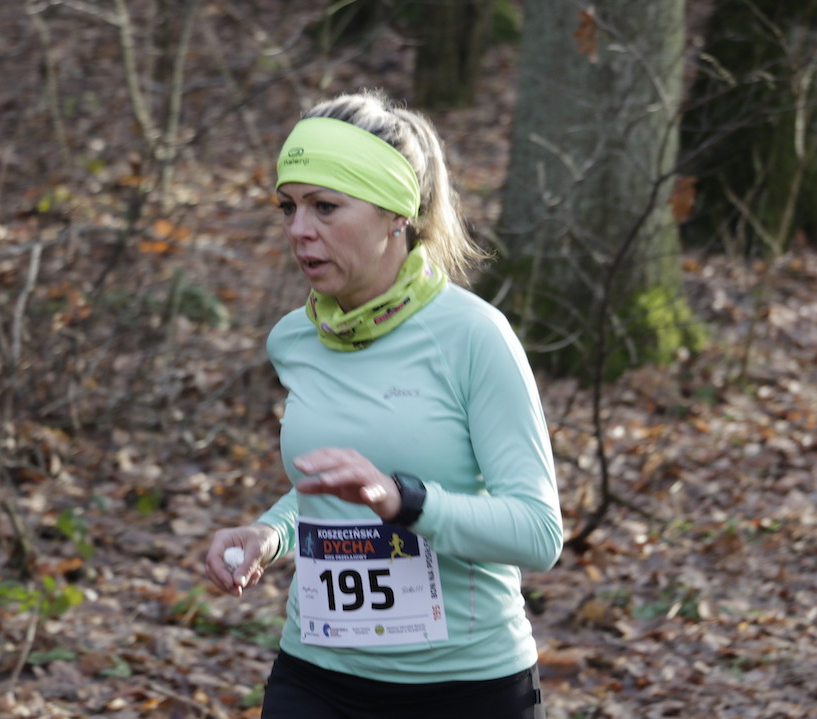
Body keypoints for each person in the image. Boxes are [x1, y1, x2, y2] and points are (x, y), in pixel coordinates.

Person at [205, 88, 563, 719]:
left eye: (325, 207)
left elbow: (538, 533)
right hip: (316, 675)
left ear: (396, 213)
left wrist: (406, 501)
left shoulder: (473, 336)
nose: (299, 230)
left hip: (465, 688)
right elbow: (333, 488)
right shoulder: (295, 339)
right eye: (289, 207)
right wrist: (271, 533)